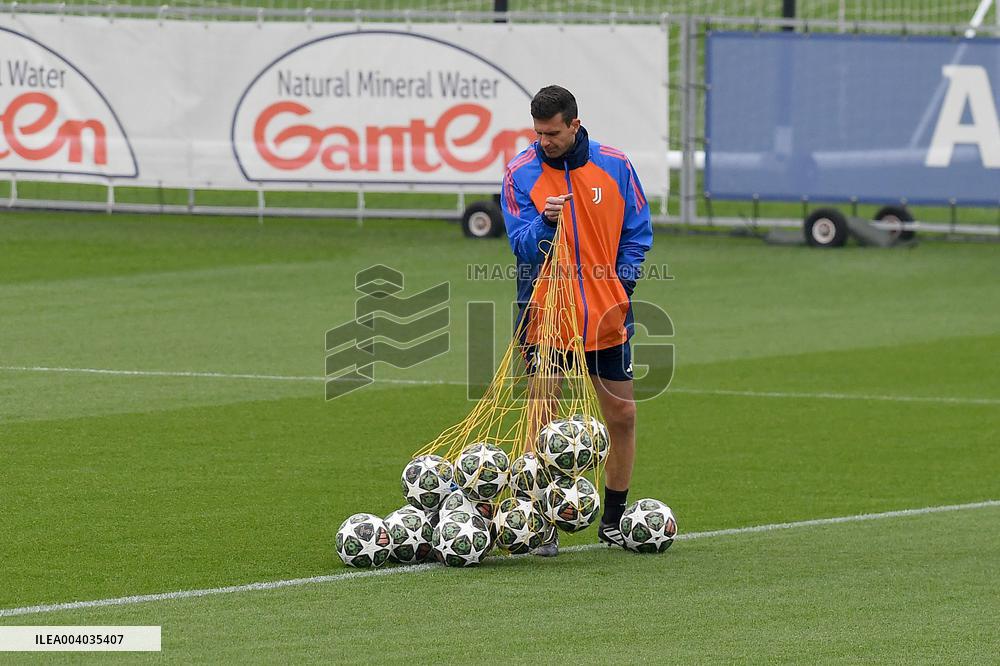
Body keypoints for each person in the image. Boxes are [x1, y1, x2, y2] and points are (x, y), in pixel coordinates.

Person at [500, 85, 653, 555]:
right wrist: (545, 224)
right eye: (538, 133)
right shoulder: (520, 174)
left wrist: (620, 289)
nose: (544, 142)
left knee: (622, 416)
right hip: (545, 314)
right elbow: (521, 246)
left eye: (553, 133)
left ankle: (613, 520)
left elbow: (637, 233)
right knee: (543, 417)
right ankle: (537, 522)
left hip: (606, 316)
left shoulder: (615, 165)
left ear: (575, 124)